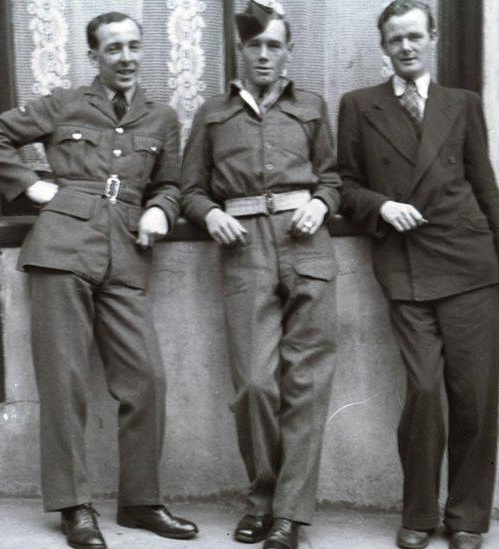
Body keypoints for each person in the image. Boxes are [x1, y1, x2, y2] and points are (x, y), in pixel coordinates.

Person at [0, 12, 197, 549]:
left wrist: (162, 208)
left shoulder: (161, 117)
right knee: (65, 381)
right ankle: (74, 506)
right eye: (112, 48)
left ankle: (140, 502)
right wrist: (31, 187)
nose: (125, 58)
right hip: (62, 250)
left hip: (126, 256)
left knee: (147, 379)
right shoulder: (65, 104)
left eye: (133, 47)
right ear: (94, 56)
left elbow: (170, 182)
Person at [336, 2, 499, 548]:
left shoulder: (462, 105)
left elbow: (485, 187)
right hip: (407, 267)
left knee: (474, 397)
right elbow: (345, 184)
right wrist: (381, 206)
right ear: (384, 47)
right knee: (422, 391)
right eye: (395, 39)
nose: (406, 47)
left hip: (470, 265)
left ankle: (466, 518)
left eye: (415, 36)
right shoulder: (359, 106)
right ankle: (419, 513)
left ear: (433, 39)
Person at [181, 2, 341, 548]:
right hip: (245, 248)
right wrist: (211, 215)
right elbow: (190, 190)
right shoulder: (212, 114)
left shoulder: (313, 107)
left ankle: (290, 518)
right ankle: (264, 498)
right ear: (241, 52)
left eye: (275, 45)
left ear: (288, 51)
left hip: (307, 247)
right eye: (256, 46)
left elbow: (335, 179)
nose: (265, 55)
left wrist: (322, 202)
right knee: (254, 383)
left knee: (307, 385)